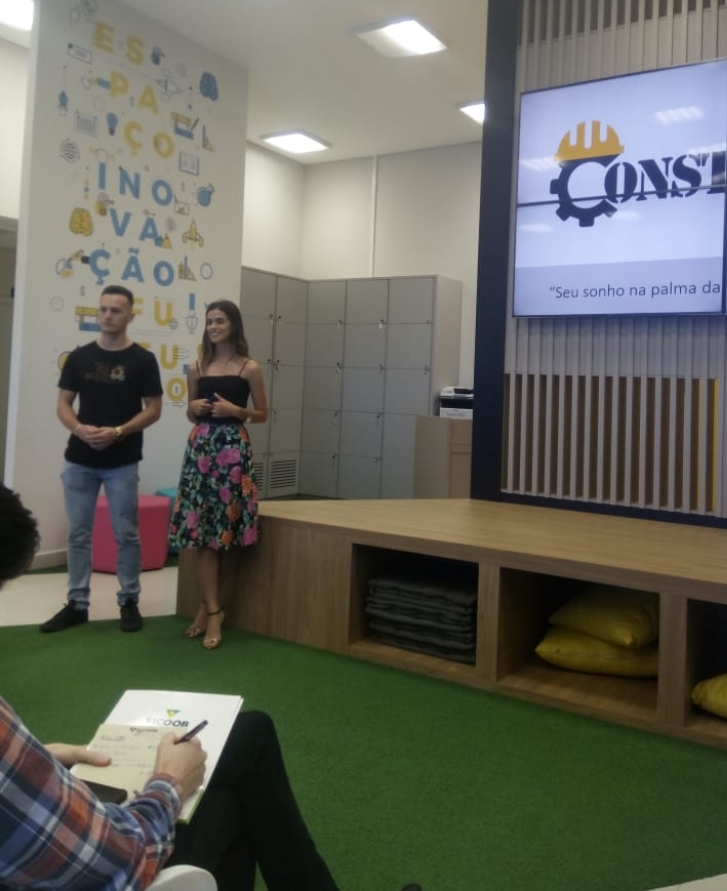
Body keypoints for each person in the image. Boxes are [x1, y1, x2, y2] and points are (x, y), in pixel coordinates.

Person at [0, 483, 421, 891]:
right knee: (241, 768)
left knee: (244, 745)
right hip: (114, 864)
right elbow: (120, 856)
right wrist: (169, 783)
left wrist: (42, 756)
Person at [41, 285, 163, 635]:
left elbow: (153, 409)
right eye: (104, 309)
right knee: (78, 533)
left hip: (122, 460)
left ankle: (129, 600)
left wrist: (119, 431)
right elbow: (63, 404)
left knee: (126, 534)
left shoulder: (143, 360)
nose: (107, 315)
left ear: (130, 316)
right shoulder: (79, 357)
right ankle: (77, 604)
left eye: (116, 310)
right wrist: (79, 429)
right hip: (79, 459)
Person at [169, 300, 267, 650]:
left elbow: (262, 413)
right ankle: (213, 610)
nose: (213, 326)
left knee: (225, 532)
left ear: (233, 325)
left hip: (233, 451)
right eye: (209, 321)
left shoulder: (249, 367)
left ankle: (208, 608)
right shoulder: (196, 367)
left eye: (220, 321)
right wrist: (193, 408)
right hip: (201, 450)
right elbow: (191, 414)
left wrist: (236, 410)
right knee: (204, 532)